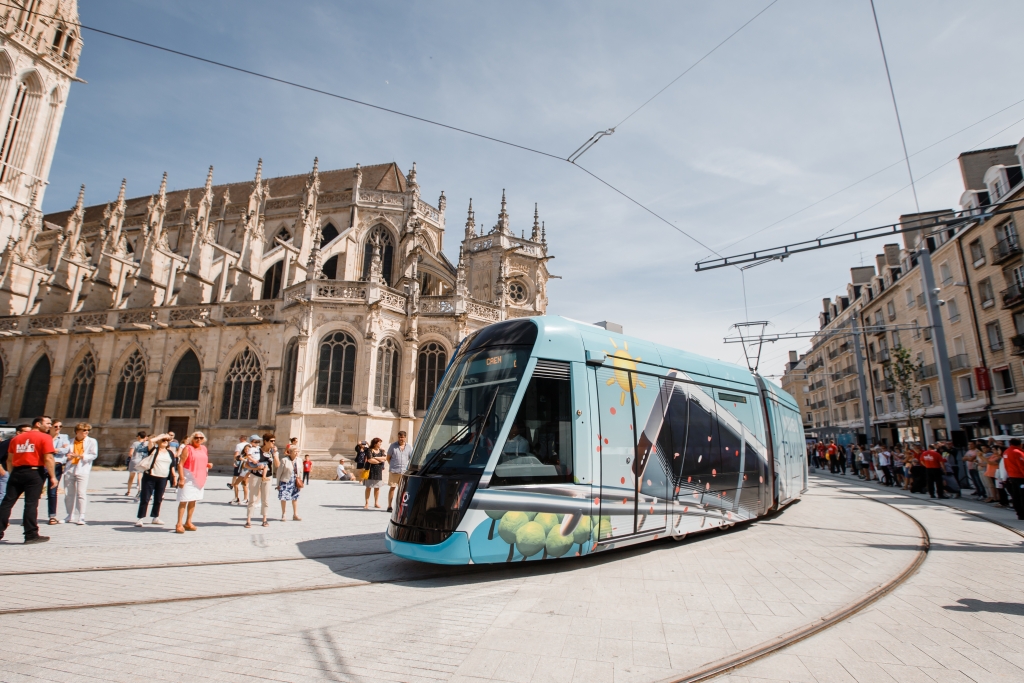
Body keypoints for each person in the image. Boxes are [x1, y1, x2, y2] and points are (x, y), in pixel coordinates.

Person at [0, 416, 57, 544]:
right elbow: (48, 458)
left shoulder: (16, 438)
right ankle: (31, 534)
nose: (50, 426)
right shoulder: (45, 437)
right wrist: (53, 477)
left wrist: (12, 473)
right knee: (31, 504)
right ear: (38, 424)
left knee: (7, 503)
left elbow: (10, 459)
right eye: (47, 423)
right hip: (34, 472)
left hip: (17, 472)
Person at [175, 432, 211, 533]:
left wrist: (208, 464)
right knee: (183, 500)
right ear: (192, 438)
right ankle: (179, 523)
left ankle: (188, 522)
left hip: (199, 477)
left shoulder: (204, 449)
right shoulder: (187, 448)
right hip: (188, 477)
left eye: (201, 438)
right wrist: (181, 478)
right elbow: (180, 464)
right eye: (196, 438)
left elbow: (200, 461)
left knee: (193, 500)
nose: (198, 439)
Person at [135, 433, 175, 526]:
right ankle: (140, 518)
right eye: (163, 441)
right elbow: (150, 440)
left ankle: (155, 517)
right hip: (150, 476)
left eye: (166, 441)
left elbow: (172, 465)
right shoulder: (153, 450)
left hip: (163, 478)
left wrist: (174, 477)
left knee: (158, 499)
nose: (165, 442)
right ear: (159, 441)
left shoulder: (170, 453)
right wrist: (161, 436)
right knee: (145, 498)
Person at [63, 423, 98, 525]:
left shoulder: (91, 441)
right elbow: (64, 455)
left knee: (81, 493)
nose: (86, 432)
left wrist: (80, 456)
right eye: (84, 430)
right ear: (77, 431)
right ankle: (69, 514)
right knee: (69, 493)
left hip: (83, 469)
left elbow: (93, 455)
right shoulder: (69, 442)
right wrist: (68, 457)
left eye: (87, 430)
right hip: (70, 469)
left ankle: (81, 515)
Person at [245, 433, 278, 528]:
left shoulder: (272, 452)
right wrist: (256, 468)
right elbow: (246, 465)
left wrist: (275, 454)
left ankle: (264, 519)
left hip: (268, 477)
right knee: (252, 498)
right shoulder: (256, 450)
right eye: (271, 441)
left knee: (266, 499)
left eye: (274, 441)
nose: (273, 443)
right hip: (255, 476)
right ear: (265, 441)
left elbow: (277, 465)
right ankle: (248, 520)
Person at [47, 420, 70, 525]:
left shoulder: (64, 437)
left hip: (56, 465)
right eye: (56, 426)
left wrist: (49, 449)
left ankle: (52, 516)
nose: (58, 428)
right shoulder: (44, 437)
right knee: (36, 492)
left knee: (52, 492)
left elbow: (65, 450)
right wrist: (56, 449)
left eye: (60, 426)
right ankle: (30, 516)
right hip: (43, 465)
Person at [0, 425, 30, 502]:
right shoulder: (8, 443)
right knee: (2, 494)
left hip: (15, 472)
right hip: (4, 472)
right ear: (18, 432)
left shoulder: (25, 444)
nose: (29, 434)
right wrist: (2, 471)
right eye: (26, 432)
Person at [386, 431, 412, 512]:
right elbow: (388, 457)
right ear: (398, 437)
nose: (401, 439)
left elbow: (410, 458)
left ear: (405, 437)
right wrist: (392, 465)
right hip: (394, 471)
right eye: (400, 437)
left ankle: (400, 506)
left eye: (403, 437)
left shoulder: (409, 447)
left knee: (403, 490)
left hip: (404, 471)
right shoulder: (393, 446)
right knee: (392, 488)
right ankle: (389, 506)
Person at [277, 445, 301, 521]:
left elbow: (301, 472)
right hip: (285, 481)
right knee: (284, 498)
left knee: (295, 498)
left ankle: (295, 514)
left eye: (297, 451)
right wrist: (278, 484)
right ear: (290, 452)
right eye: (295, 451)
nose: (297, 453)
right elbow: (279, 473)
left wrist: (300, 482)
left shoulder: (299, 460)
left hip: (295, 481)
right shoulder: (284, 460)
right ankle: (284, 514)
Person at [1002, 438, 1024, 520]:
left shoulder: (1006, 452)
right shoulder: (1017, 452)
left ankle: (1020, 513)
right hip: (1021, 477)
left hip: (1012, 476)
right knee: (1022, 495)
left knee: (1016, 495)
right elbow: (1022, 466)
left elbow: (1006, 466)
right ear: (1020, 444)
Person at [363, 437, 386, 509]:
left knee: (377, 488)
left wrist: (375, 458)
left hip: (378, 471)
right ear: (375, 443)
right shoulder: (370, 450)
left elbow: (384, 459)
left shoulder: (381, 451)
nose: (380, 444)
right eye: (379, 443)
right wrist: (379, 460)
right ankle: (367, 503)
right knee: (368, 487)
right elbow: (370, 460)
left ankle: (376, 502)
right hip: (371, 470)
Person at [125, 431, 148, 497]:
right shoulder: (146, 443)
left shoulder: (135, 443)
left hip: (134, 461)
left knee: (131, 477)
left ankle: (128, 491)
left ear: (139, 436)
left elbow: (130, 453)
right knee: (140, 477)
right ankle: (139, 490)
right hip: (142, 461)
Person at [229, 434, 249, 504]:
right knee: (235, 484)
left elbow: (251, 462)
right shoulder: (243, 455)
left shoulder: (250, 456)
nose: (247, 450)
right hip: (242, 471)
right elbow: (237, 457)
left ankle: (246, 499)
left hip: (247, 473)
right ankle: (237, 498)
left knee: (244, 485)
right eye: (246, 449)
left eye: (248, 450)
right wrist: (236, 462)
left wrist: (243, 459)